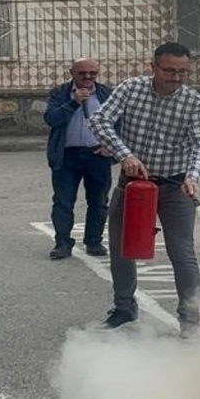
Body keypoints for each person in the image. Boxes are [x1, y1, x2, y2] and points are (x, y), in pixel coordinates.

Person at [88, 42, 200, 339]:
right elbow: (99, 120)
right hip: (133, 186)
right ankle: (123, 308)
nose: (176, 77)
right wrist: (126, 155)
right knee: (122, 248)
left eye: (183, 72)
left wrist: (193, 176)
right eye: (169, 70)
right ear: (153, 66)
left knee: (182, 253)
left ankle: (190, 320)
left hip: (176, 186)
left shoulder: (195, 102)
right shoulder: (131, 89)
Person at [43, 57, 116, 260]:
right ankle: (63, 243)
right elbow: (51, 119)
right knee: (63, 201)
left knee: (99, 201)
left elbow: (121, 121)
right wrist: (74, 102)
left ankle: (94, 241)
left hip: (97, 155)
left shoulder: (106, 94)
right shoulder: (60, 93)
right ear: (72, 73)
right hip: (67, 156)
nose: (88, 77)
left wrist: (111, 147)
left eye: (92, 73)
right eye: (82, 73)